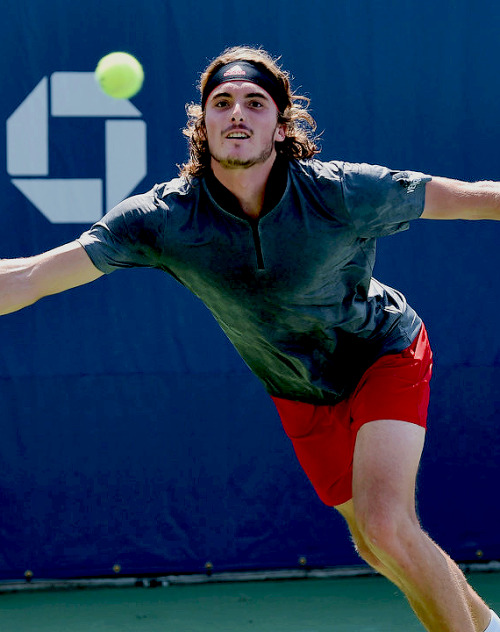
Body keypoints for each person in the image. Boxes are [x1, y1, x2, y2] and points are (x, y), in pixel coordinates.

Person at [2, 45, 500, 632]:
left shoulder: (341, 192)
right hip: (296, 387)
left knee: (387, 523)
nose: (237, 112)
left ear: (282, 124)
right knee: (375, 543)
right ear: (203, 121)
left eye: (255, 102)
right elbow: (34, 275)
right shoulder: (164, 218)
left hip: (381, 354)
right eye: (222, 102)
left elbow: (473, 198)